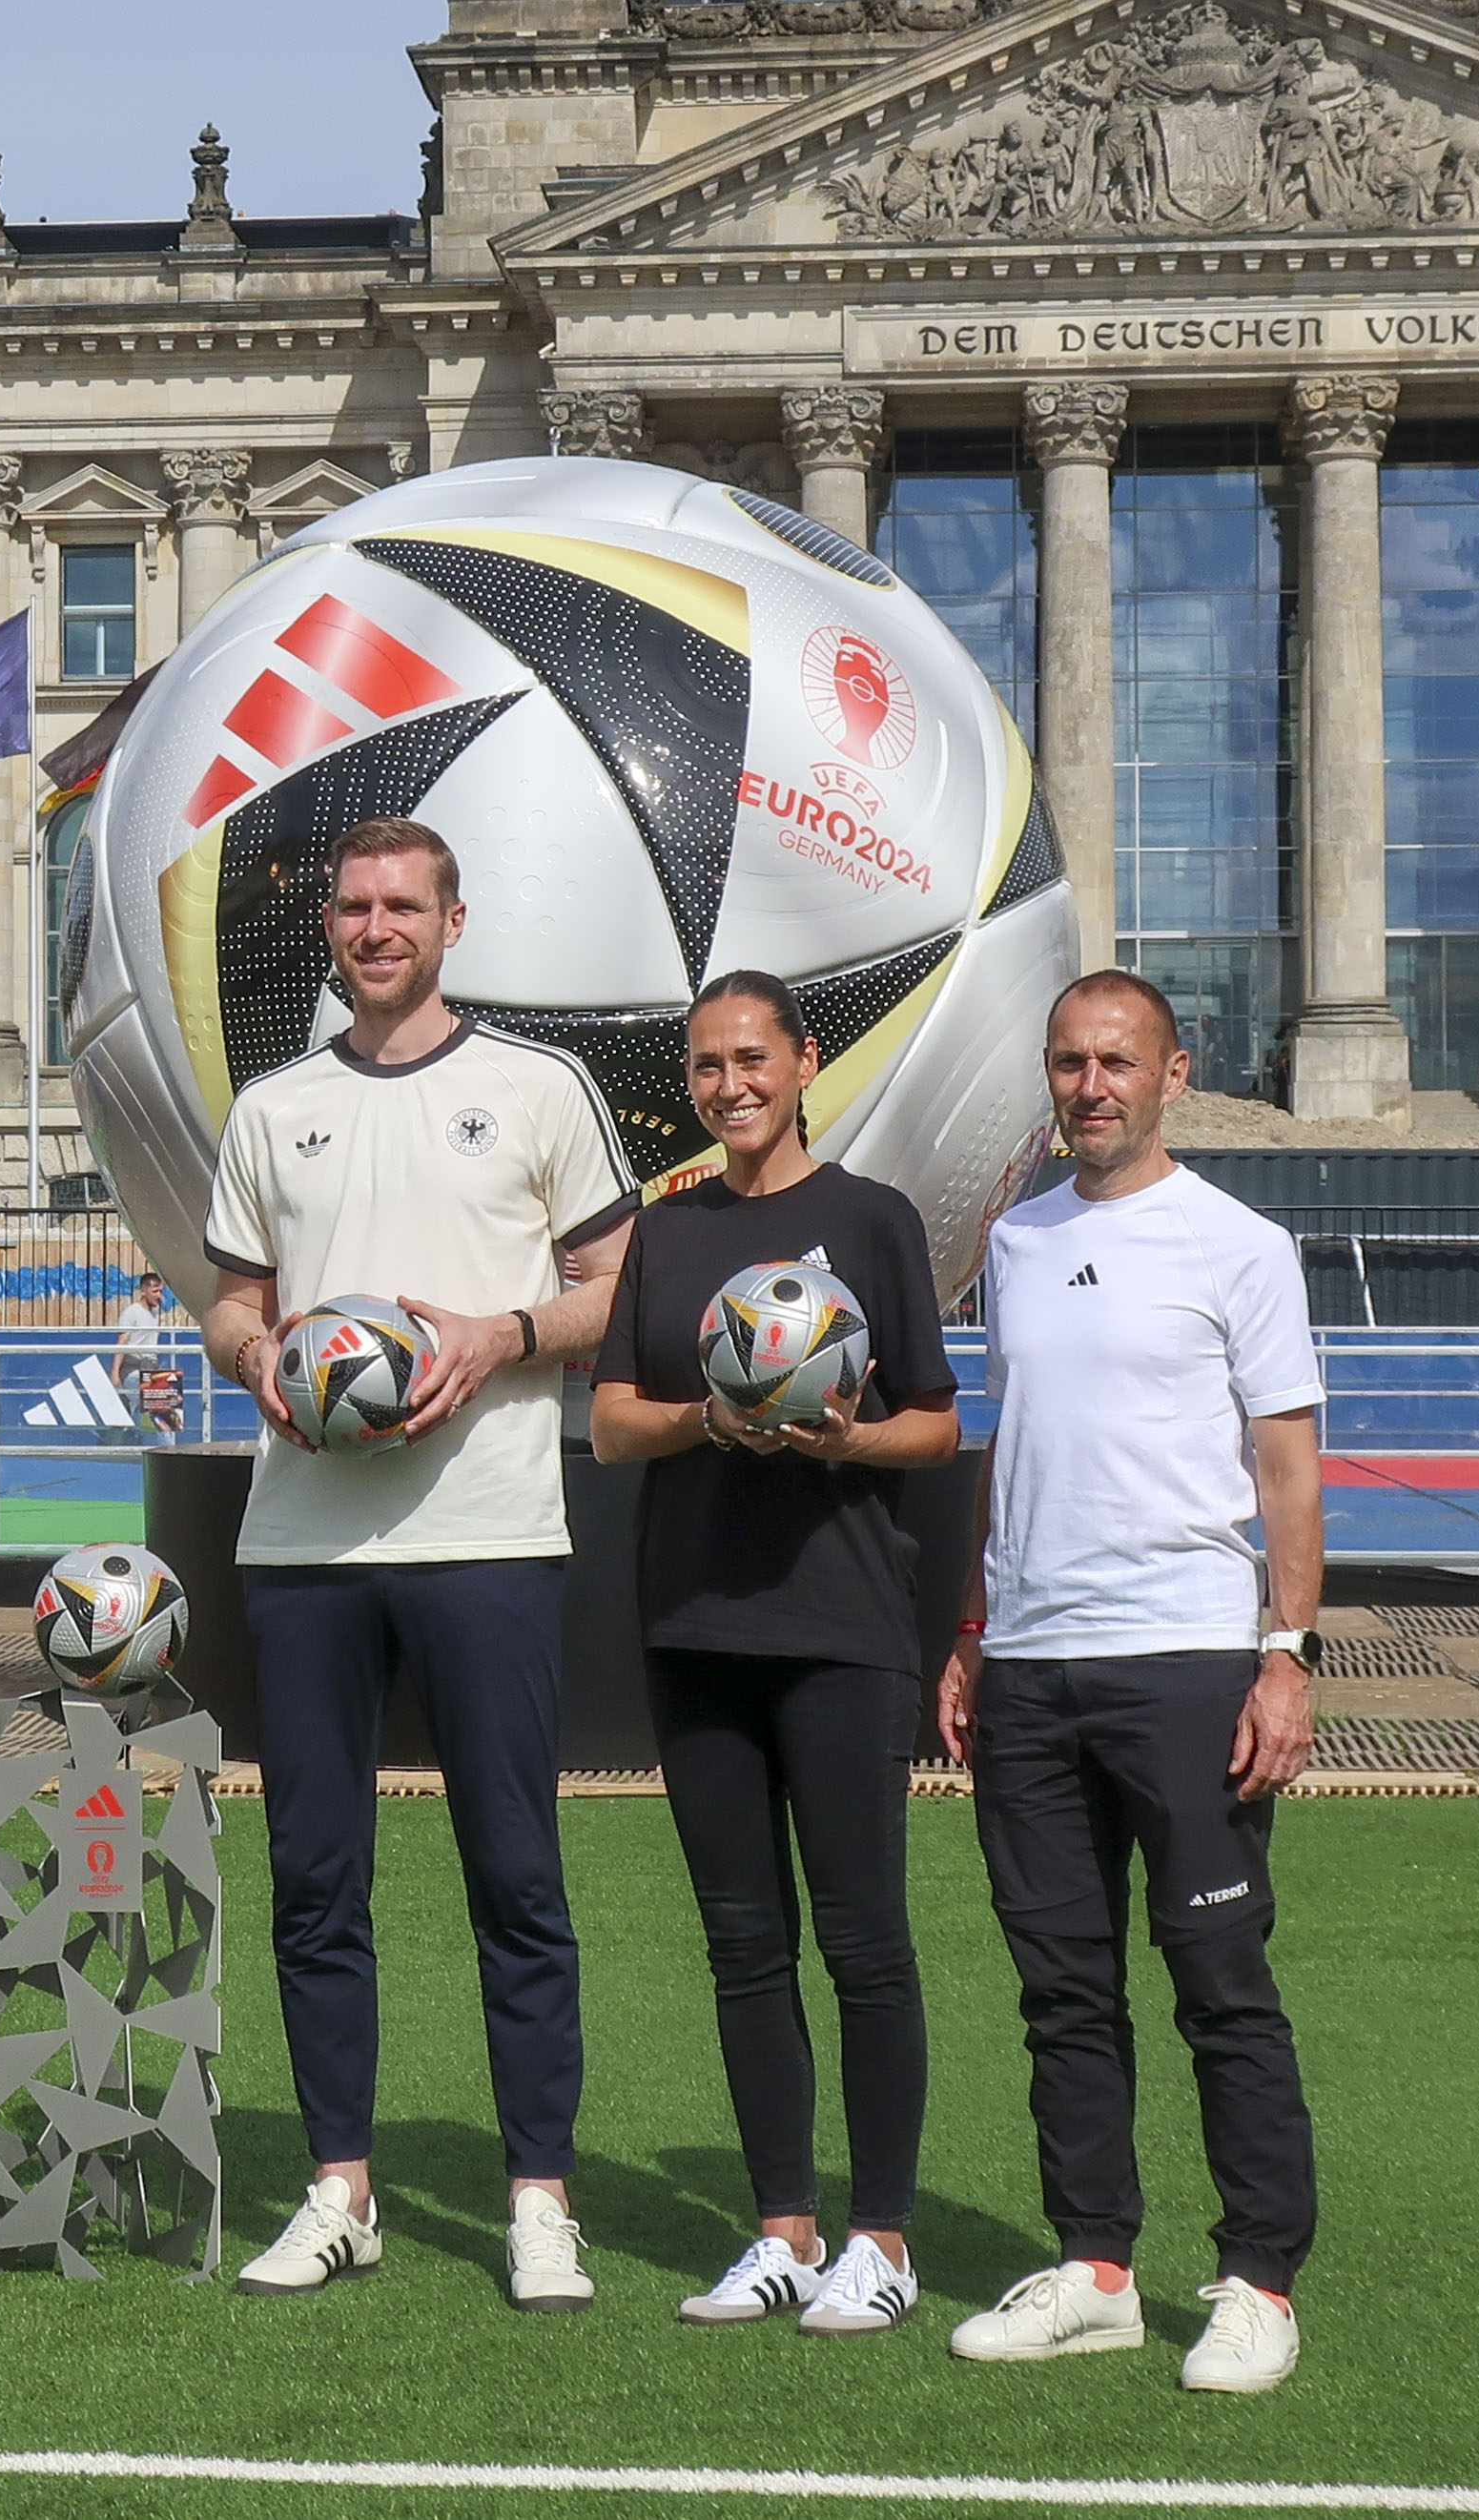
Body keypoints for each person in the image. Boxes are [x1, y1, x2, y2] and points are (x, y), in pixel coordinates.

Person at [200, 817, 637, 2307]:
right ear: (327, 925)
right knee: (315, 1880)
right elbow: (233, 1301)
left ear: (456, 921)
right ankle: (340, 2190)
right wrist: (265, 1360)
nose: (376, 928)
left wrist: (493, 1337)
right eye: (354, 907)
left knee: (514, 1874)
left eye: (404, 906)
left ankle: (537, 2198)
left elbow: (614, 1287)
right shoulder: (273, 1106)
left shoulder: (535, 1088)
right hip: (306, 1540)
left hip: (489, 1535)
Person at [938, 970, 1325, 2396]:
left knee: (1219, 1982)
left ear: (1173, 1071)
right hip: (1034, 1670)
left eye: (1116, 1061)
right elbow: (1013, 1439)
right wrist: (976, 1629)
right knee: (1062, 1989)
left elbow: (1285, 1464)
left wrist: (1285, 1657)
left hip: (1186, 1662)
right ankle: (1097, 2268)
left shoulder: (1239, 1244)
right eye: (1066, 1062)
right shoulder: (1020, 1240)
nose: (1088, 1085)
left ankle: (1257, 2284)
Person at [587, 973, 959, 2337]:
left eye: (752, 1058)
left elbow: (933, 1421)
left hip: (841, 1631)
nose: (729, 1084)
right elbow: (616, 1423)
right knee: (744, 1946)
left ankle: (885, 2240)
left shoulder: (871, 1220)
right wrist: (714, 1420)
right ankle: (783, 2233)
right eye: (704, 1064)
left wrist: (842, 1442)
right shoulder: (667, 1230)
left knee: (865, 1945)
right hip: (694, 1627)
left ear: (805, 1062)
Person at [114, 1269, 180, 1442]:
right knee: (162, 1407)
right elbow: (122, 1340)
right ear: (143, 1291)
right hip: (133, 1369)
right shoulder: (132, 1312)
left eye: (160, 1291)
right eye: (155, 1291)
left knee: (163, 1409)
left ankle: (151, 1445)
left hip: (150, 1369)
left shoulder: (155, 1311)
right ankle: (167, 1452)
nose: (159, 1295)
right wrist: (115, 1372)